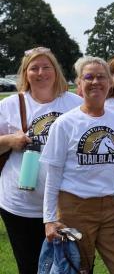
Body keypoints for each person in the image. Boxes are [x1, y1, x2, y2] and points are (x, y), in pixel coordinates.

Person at [41, 56, 114, 273]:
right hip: (74, 208)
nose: (95, 82)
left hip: (110, 208)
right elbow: (53, 174)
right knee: (78, 269)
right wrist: (49, 219)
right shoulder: (65, 124)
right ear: (79, 84)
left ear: (109, 83)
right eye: (89, 77)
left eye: (101, 77)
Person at [0, 47, 81, 274]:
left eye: (46, 67)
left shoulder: (74, 103)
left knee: (72, 266)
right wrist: (9, 140)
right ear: (26, 73)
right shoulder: (10, 105)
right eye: (34, 68)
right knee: (30, 267)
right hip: (21, 206)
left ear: (56, 71)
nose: (41, 72)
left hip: (66, 205)